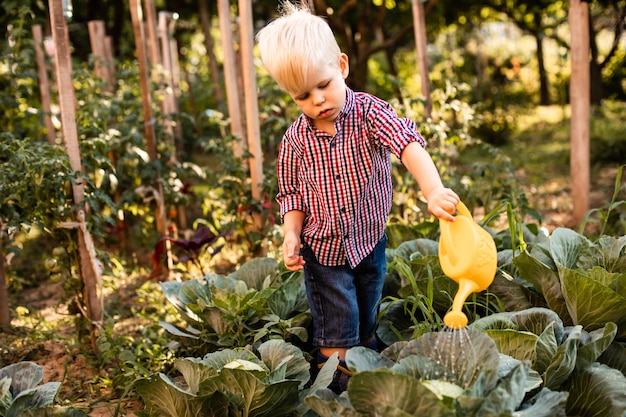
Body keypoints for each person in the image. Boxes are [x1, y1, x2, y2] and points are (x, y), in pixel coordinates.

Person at [255, 2, 459, 392]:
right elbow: (293, 193)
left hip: (369, 241)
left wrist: (432, 190)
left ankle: (364, 356)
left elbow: (408, 145)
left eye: (324, 85)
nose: (317, 100)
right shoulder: (296, 138)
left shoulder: (370, 114)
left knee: (366, 310)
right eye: (302, 95)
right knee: (338, 323)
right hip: (324, 250)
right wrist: (291, 233)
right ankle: (335, 387)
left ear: (342, 67)